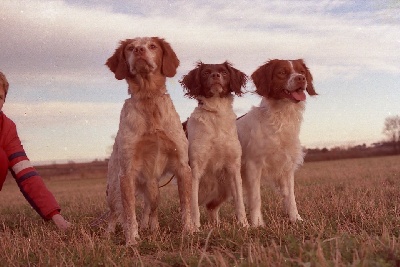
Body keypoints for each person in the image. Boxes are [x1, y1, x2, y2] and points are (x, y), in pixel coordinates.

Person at [0, 71, 71, 231]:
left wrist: (55, 216)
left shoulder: (7, 128)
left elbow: (26, 174)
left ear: (4, 100)